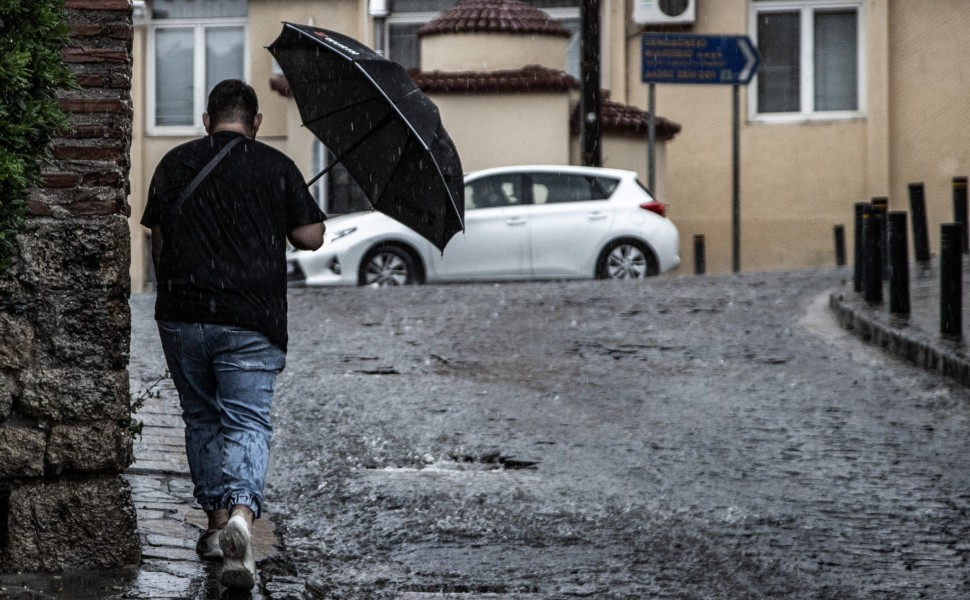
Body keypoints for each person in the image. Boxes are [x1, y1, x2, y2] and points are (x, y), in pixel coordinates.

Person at [141, 79, 325, 590]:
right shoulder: (276, 167)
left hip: (183, 315)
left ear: (207, 120)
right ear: (256, 122)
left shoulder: (175, 164)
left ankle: (217, 524)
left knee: (201, 417)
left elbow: (159, 241)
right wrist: (292, 207)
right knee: (246, 420)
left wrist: (171, 299)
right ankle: (243, 516)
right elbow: (312, 237)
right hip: (251, 319)